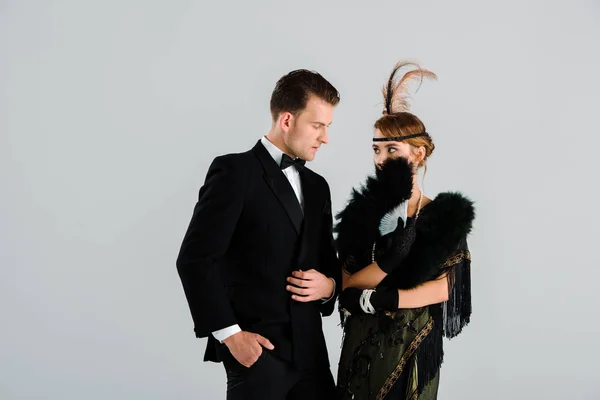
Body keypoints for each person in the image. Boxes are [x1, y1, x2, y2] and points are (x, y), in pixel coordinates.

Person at [176, 69, 342, 399]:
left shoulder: (317, 186)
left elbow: (327, 262)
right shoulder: (234, 172)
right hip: (258, 356)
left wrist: (330, 287)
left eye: (328, 127)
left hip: (313, 357)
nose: (325, 137)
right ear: (286, 120)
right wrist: (231, 336)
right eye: (317, 125)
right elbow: (195, 259)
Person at [334, 61, 475, 399]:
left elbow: (445, 288)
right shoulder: (360, 214)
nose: (380, 158)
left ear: (418, 152)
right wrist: (387, 263)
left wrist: (386, 297)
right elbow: (347, 283)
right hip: (362, 347)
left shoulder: (441, 215)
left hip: (410, 346)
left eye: (391, 149)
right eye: (376, 149)